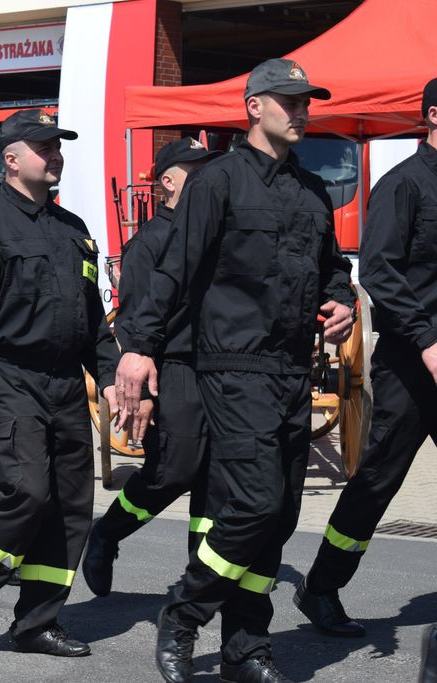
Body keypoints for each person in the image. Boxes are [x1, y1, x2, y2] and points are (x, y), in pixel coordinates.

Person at [114, 59, 355, 682]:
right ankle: (185, 611)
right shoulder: (216, 182)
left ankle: (247, 647)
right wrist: (137, 349)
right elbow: (173, 269)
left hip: (292, 371)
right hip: (232, 366)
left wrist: (342, 302)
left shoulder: (311, 191)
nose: (303, 111)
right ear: (255, 106)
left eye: (308, 102)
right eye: (290, 101)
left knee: (279, 517)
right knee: (253, 504)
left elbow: (333, 268)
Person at [0, 109, 124, 657]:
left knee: (69, 507)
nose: (54, 154)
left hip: (65, 385)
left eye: (57, 146)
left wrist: (110, 378)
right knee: (26, 493)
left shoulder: (73, 230)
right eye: (43, 146)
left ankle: (36, 621)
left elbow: (92, 321)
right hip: (11, 380)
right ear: (11, 160)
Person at [294, 78, 437, 639]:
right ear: (433, 115)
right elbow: (377, 272)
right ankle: (323, 587)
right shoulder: (403, 186)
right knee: (378, 479)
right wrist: (427, 340)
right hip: (410, 362)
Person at [82, 137, 220, 597]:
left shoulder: (215, 232)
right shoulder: (150, 243)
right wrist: (139, 391)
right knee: (174, 471)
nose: (206, 178)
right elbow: (137, 322)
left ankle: (201, 577)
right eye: (194, 171)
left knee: (213, 476)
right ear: (168, 181)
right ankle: (107, 533)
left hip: (219, 369)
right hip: (170, 368)